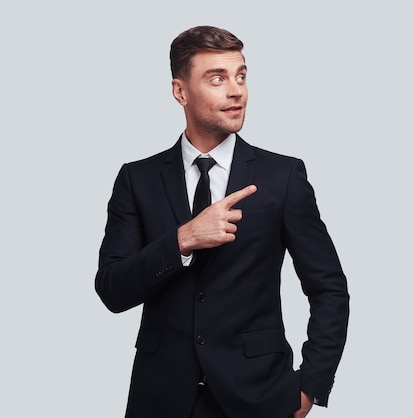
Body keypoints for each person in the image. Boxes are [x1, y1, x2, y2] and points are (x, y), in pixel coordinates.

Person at [95, 25, 349, 418]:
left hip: (259, 397)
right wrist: (182, 240)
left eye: (241, 76)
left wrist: (311, 386)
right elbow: (112, 290)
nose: (237, 90)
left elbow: (329, 288)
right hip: (160, 399)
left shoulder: (282, 177)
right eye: (217, 79)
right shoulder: (137, 179)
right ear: (180, 91)